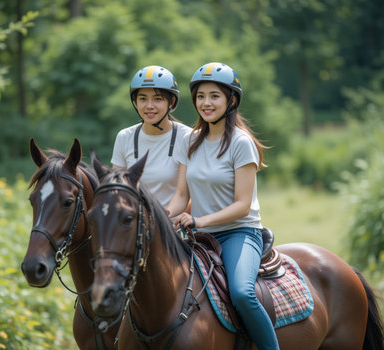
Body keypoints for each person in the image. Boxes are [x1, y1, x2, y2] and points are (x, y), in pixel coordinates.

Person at [167, 62, 279, 350]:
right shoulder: (189, 141)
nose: (206, 103)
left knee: (242, 293)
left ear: (231, 100)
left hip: (238, 233)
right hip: (198, 238)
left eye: (214, 95)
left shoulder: (241, 143)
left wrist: (199, 220)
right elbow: (181, 196)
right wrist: (160, 218)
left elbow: (242, 205)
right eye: (201, 96)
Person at [111, 65, 191, 208]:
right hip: (133, 225)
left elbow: (187, 194)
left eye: (157, 99)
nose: (149, 106)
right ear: (135, 102)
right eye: (143, 99)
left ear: (171, 102)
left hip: (174, 224)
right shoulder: (124, 137)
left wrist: (162, 223)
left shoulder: (188, 137)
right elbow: (118, 191)